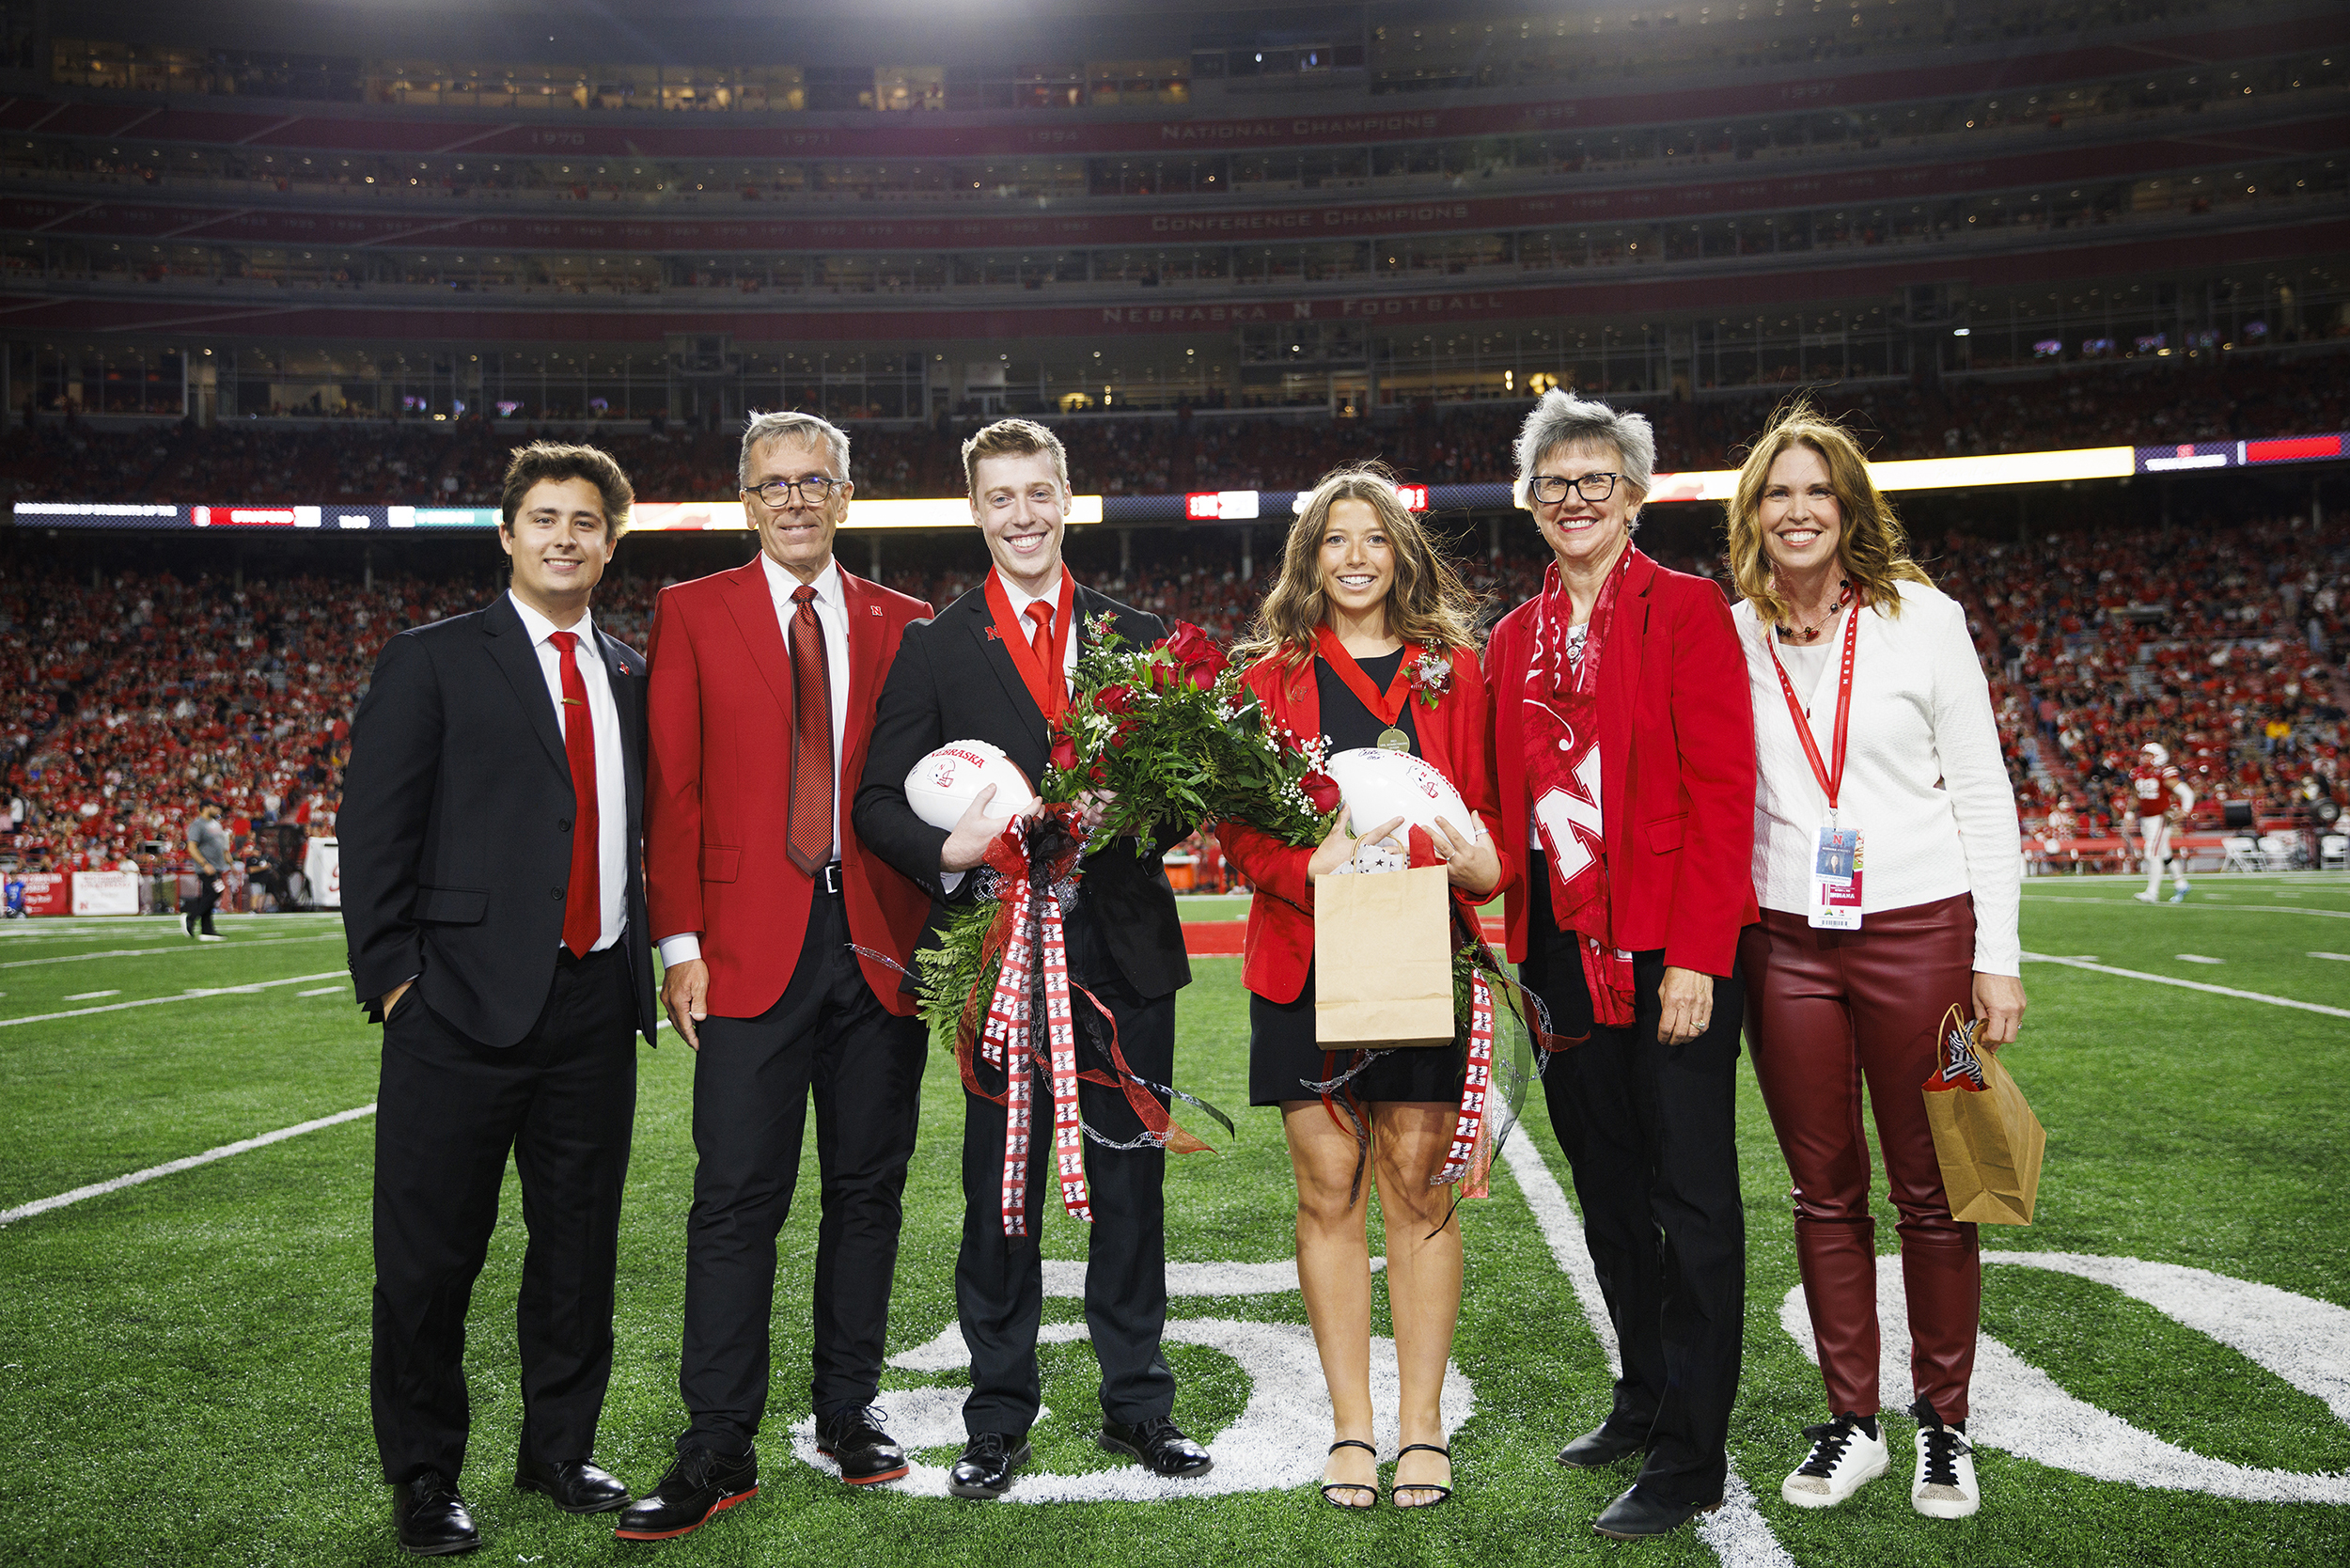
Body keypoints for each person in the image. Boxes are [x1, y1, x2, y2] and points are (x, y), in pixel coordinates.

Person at [853, 418, 1211, 1498]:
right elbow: (877, 801)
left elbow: (1180, 801)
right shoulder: (936, 644)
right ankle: (997, 1412)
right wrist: (955, 847)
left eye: (1038, 493)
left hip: (1126, 953)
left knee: (1128, 1185)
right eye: (1000, 497)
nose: (1021, 515)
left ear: (1067, 499)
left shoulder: (1135, 632)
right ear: (977, 511)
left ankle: (1136, 1406)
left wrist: (1132, 813)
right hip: (1002, 955)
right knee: (997, 1193)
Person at [616, 414, 936, 1543]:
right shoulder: (691, 611)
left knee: (867, 1193)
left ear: (846, 496)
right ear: (745, 503)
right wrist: (680, 946)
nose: (793, 501)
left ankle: (848, 1410)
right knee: (734, 1202)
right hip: (745, 952)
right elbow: (674, 793)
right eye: (770, 486)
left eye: (813, 482)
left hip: (880, 948)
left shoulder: (909, 624)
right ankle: (717, 1442)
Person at [341, 442, 657, 1557]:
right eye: (544, 519)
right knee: (429, 1260)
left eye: (585, 522)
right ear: (508, 534)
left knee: (576, 1252)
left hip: (591, 1005)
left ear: (610, 543)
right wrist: (393, 984)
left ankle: (558, 1448)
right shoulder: (431, 660)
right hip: (457, 1010)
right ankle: (426, 1475)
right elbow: (373, 829)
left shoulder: (629, 671)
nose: (564, 538)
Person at [1724, 403, 2025, 1521]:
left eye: (1815, 491)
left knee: (1940, 1187)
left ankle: (1942, 1425)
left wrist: (1995, 957)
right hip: (1786, 943)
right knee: (1823, 1190)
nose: (1795, 511)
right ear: (1752, 514)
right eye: (1775, 493)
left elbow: (1985, 796)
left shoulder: (1923, 619)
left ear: (1847, 507)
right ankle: (1852, 1418)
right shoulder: (1733, 631)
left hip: (1926, 933)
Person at [1482, 388, 1758, 1541]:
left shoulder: (1690, 612)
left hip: (1665, 946)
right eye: (1555, 483)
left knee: (1690, 1199)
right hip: (1555, 946)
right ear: (1529, 503)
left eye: (1597, 480)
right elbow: (1497, 816)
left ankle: (1694, 1453)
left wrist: (1696, 957)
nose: (1576, 499)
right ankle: (1644, 1395)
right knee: (1603, 1188)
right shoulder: (1508, 639)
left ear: (1634, 497)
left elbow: (1720, 794)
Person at [1214, 467, 1506, 1512]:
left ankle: (1421, 1427)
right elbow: (1240, 835)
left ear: (1400, 554)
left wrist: (1484, 866)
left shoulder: (1458, 673)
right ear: (1309, 556)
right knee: (1325, 1188)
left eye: (1372, 539)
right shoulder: (1263, 680)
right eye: (1333, 539)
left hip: (1424, 953)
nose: (1352, 557)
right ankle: (1351, 1426)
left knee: (1419, 1190)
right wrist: (1309, 868)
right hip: (1305, 955)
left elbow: (1494, 820)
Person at [2129, 742, 2194, 902]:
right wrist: (2129, 814)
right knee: (2164, 854)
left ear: (2158, 756)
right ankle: (2181, 884)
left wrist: (2185, 811)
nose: (2143, 758)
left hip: (2160, 818)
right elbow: (2136, 796)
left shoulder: (2164, 773)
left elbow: (2186, 793)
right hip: (2146, 819)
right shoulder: (2138, 773)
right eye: (2143, 754)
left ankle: (2152, 893)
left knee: (2152, 852)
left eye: (2148, 755)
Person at [183, 800, 229, 941]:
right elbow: (192, 846)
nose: (217, 809)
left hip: (217, 865)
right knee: (217, 891)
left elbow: (221, 845)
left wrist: (228, 862)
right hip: (207, 867)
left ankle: (207, 929)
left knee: (209, 894)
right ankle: (191, 916)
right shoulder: (198, 824)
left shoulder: (216, 824)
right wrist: (204, 864)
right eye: (214, 806)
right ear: (206, 808)